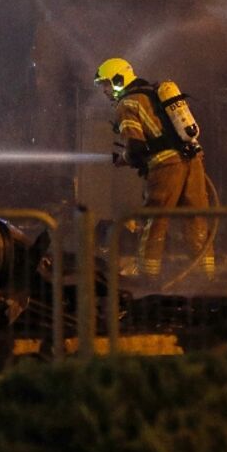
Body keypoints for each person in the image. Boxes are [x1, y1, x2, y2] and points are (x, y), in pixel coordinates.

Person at [94, 57, 213, 283]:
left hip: (166, 165)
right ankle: (205, 277)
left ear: (118, 80)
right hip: (194, 159)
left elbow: (136, 146)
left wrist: (123, 159)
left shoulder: (127, 104)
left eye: (106, 84)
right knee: (196, 219)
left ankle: (147, 277)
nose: (105, 91)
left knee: (154, 220)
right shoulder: (153, 94)